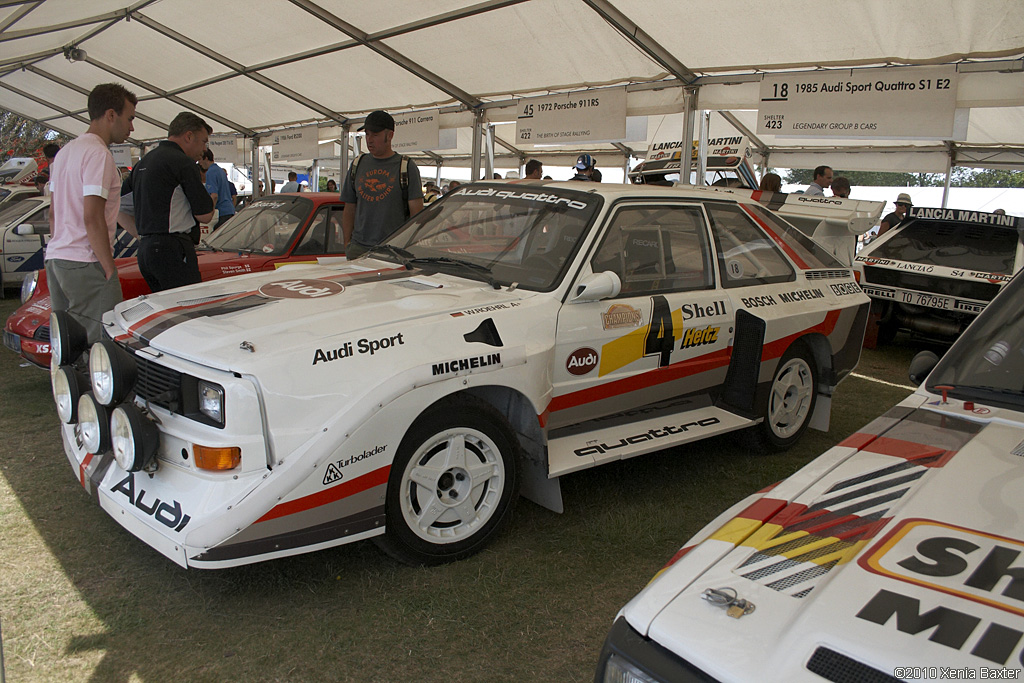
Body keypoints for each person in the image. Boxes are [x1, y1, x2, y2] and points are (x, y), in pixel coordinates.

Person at [45, 82, 137, 344]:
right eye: (129, 118)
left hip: (57, 258)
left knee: (68, 342)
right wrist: (109, 269)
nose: (132, 127)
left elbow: (53, 213)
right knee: (102, 344)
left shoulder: (64, 153)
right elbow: (92, 215)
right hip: (85, 260)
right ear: (111, 115)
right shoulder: (98, 153)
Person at [120, 111, 214, 292]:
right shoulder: (183, 163)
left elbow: (118, 208)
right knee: (188, 308)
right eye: (203, 141)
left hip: (146, 252)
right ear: (189, 136)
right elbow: (205, 215)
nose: (204, 149)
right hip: (173, 249)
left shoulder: (143, 163)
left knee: (165, 311)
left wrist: (143, 236)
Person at [340, 110, 424, 258]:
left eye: (375, 134)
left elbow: (416, 214)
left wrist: (407, 248)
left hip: (393, 251)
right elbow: (349, 207)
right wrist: (348, 244)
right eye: (367, 134)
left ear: (390, 135)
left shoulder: (406, 167)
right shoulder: (357, 165)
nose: (370, 140)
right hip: (358, 249)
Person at [199, 149, 235, 230]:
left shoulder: (210, 172)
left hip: (221, 212)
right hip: (229, 210)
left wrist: (210, 213)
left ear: (206, 158)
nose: (200, 163)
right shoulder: (220, 170)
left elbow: (214, 195)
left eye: (200, 160)